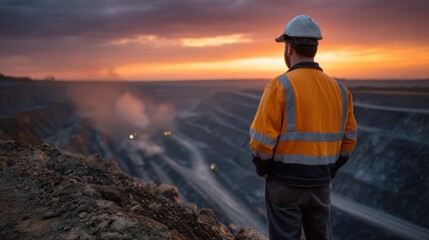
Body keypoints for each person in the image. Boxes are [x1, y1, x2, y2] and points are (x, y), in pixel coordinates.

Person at [249, 15, 357, 240]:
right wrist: (329, 169)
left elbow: (261, 142)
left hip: (284, 183)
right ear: (315, 48)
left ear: (288, 48)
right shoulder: (340, 90)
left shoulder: (279, 87)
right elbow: (348, 142)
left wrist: (264, 169)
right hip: (321, 183)